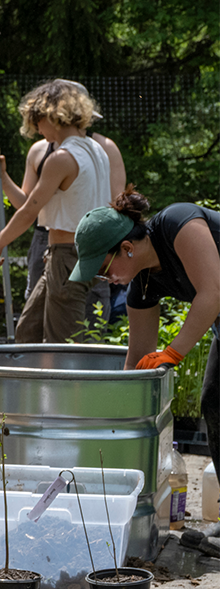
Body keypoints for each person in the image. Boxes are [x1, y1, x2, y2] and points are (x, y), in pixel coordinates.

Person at [70, 193, 220, 451]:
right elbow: (138, 357)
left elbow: (213, 293)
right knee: (215, 402)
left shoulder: (178, 223)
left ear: (127, 248)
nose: (107, 279)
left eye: (104, 270)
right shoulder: (142, 287)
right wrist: (119, 414)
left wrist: (172, 353)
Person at [0, 80, 112, 342]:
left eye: (37, 119)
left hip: (67, 257)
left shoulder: (61, 158)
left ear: (53, 115)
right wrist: (4, 178)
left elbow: (29, 211)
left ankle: (64, 383)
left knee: (62, 345)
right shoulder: (98, 151)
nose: (36, 127)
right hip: (86, 254)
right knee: (28, 331)